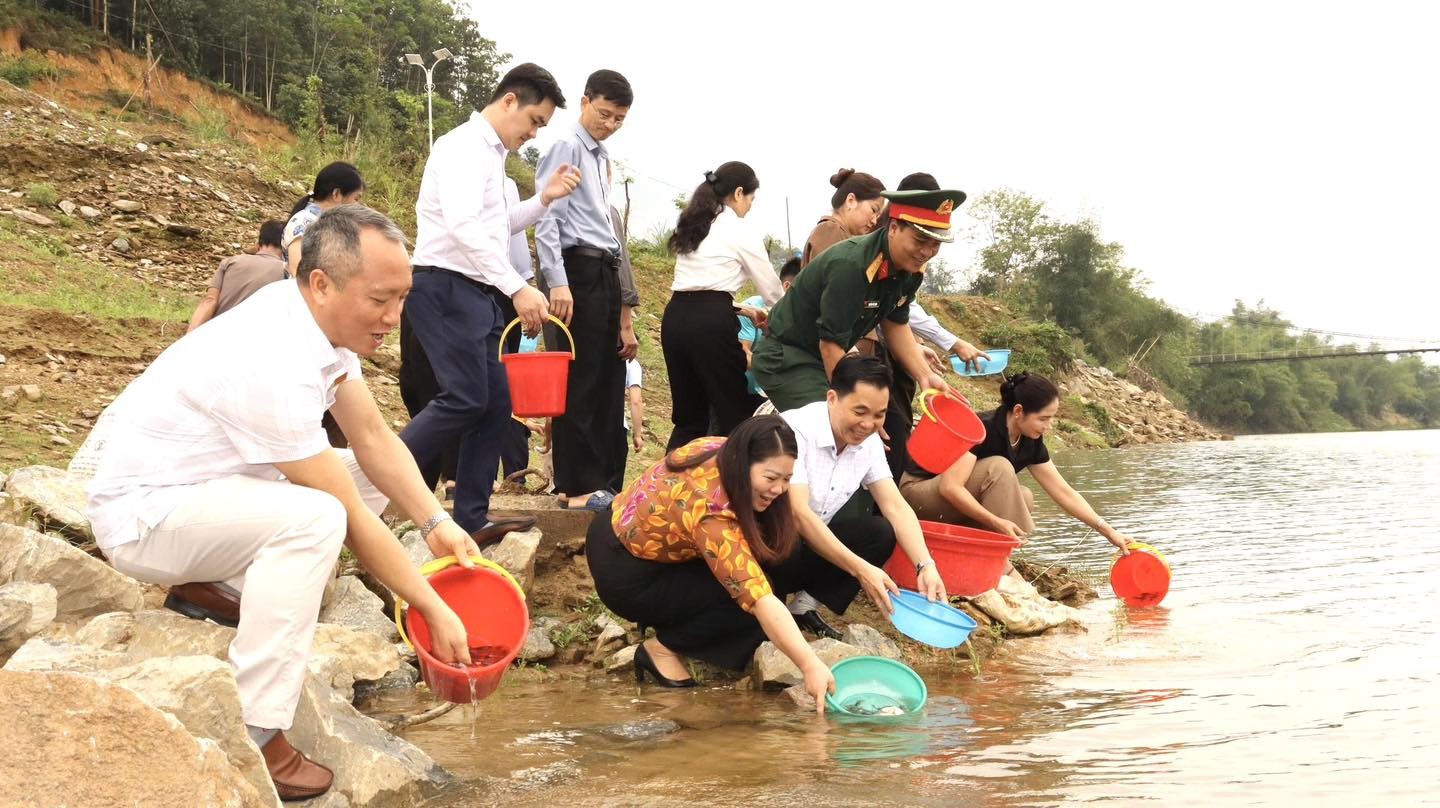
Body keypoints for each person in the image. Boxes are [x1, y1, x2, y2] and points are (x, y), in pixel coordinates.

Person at [83, 206, 477, 801]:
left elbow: (373, 438)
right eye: (380, 299)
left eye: (403, 298)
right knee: (319, 517)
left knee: (368, 476)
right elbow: (346, 516)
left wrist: (435, 522)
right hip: (148, 516)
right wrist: (429, 604)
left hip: (212, 491)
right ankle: (258, 727)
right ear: (321, 283)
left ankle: (219, 587)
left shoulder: (316, 323)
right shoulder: (272, 358)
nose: (394, 318)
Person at [401, 62, 581, 542]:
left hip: (476, 291)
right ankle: (375, 475)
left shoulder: (492, 156)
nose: (533, 133)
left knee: (496, 402)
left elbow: (497, 226)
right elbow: (462, 227)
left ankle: (471, 518)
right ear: (509, 101)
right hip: (444, 285)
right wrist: (517, 286)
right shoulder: (463, 146)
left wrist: (544, 199)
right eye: (534, 121)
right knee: (463, 398)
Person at [586, 416, 839, 713]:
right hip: (625, 571)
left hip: (631, 539)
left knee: (772, 563)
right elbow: (758, 597)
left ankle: (677, 619)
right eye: (771, 478)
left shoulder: (721, 449)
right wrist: (810, 665)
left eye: (786, 479)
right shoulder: (711, 512)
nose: (779, 489)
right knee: (747, 603)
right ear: (743, 463)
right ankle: (662, 649)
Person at [751, 188, 962, 413]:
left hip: (824, 359)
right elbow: (830, 345)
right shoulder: (852, 266)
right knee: (834, 424)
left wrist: (925, 376)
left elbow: (896, 324)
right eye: (920, 240)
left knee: (863, 423)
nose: (926, 252)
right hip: (787, 358)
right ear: (893, 228)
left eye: (935, 245)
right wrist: (854, 409)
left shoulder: (909, 270)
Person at [778, 354, 945, 639]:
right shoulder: (795, 430)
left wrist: (926, 565)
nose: (868, 424)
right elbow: (799, 515)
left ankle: (803, 607)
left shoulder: (868, 443)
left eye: (879, 415)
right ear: (832, 398)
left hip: (812, 546)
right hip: (771, 547)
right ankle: (769, 601)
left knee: (880, 532)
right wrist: (861, 569)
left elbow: (895, 505)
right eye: (860, 412)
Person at [898, 372, 1137, 566]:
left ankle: (989, 557)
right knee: (999, 468)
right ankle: (1001, 566)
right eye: (1043, 418)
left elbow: (1063, 492)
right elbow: (950, 488)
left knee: (1024, 497)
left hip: (948, 505)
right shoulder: (984, 429)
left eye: (1051, 418)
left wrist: (1109, 532)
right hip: (917, 496)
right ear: (1019, 411)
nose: (1048, 426)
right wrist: (996, 522)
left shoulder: (1030, 440)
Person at [535, 69, 638, 512]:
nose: (610, 124)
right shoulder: (567, 146)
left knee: (607, 379)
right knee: (579, 378)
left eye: (619, 118)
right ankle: (575, 486)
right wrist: (557, 280)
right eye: (604, 113)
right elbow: (547, 217)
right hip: (577, 270)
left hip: (604, 270)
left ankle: (601, 482)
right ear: (584, 102)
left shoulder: (599, 156)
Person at [662, 161, 785, 451]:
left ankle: (668, 479)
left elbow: (697, 288)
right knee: (733, 412)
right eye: (751, 198)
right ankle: (734, 476)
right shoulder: (740, 229)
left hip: (676, 318)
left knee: (689, 418)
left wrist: (741, 309)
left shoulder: (695, 223)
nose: (750, 206)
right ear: (739, 193)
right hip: (711, 325)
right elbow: (773, 292)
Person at [187, 219, 288, 332]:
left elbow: (210, 301)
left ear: (258, 244)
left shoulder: (230, 262)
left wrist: (188, 337)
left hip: (215, 333)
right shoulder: (288, 272)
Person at [282, 161, 365, 275]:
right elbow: (297, 271)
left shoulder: (335, 226)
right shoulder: (303, 222)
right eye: (356, 199)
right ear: (336, 194)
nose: (357, 206)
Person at [737, 256, 801, 398]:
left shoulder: (803, 315)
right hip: (745, 392)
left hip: (777, 392)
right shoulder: (752, 309)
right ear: (787, 286)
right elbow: (742, 354)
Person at [800, 168, 887, 268]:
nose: (874, 221)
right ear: (851, 201)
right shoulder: (830, 230)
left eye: (878, 216)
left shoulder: (838, 233)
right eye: (873, 210)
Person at [608, 358, 644, 492]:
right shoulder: (631, 364)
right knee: (612, 486)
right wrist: (637, 434)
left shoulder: (592, 356)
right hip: (615, 425)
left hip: (586, 424)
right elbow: (635, 400)